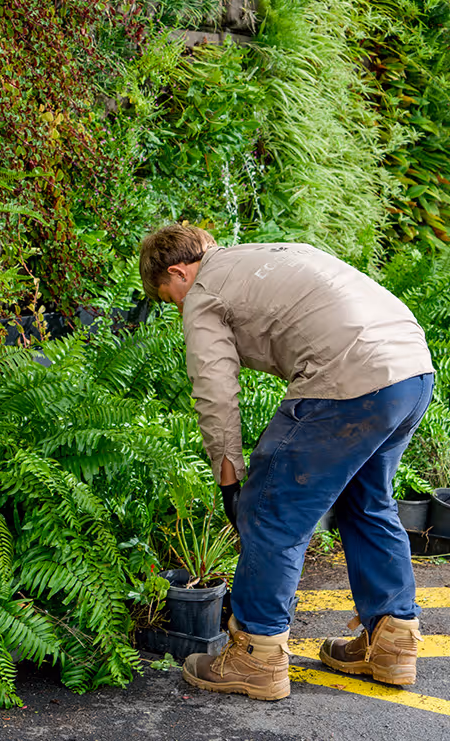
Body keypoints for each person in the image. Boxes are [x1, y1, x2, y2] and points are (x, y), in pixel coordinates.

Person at [139, 225, 433, 701]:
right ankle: (392, 643)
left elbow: (215, 391)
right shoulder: (270, 252)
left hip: (348, 381)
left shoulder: (203, 291)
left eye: (169, 297)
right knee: (367, 502)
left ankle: (255, 656)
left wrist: (230, 481)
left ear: (178, 272)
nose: (177, 306)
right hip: (412, 371)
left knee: (271, 510)